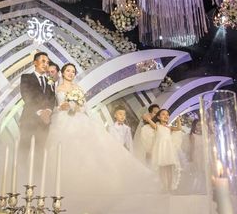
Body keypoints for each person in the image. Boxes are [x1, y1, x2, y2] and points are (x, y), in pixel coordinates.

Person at [47, 63, 159, 194]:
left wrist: (76, 106)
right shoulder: (58, 88)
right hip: (63, 119)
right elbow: (56, 106)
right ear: (62, 72)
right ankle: (64, 183)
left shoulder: (78, 88)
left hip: (78, 119)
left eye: (73, 71)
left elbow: (84, 107)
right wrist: (62, 107)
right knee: (64, 149)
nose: (71, 73)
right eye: (68, 71)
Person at [19, 52, 56, 147]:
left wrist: (48, 111)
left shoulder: (50, 80)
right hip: (29, 118)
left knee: (40, 149)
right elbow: (26, 95)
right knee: (24, 148)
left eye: (47, 62)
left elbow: (52, 98)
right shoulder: (26, 77)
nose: (45, 64)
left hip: (45, 121)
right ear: (35, 62)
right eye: (43, 61)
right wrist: (40, 112)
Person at [146, 109, 183, 192]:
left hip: (168, 150)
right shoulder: (157, 126)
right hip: (161, 150)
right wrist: (148, 118)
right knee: (162, 169)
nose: (166, 116)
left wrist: (178, 119)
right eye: (163, 114)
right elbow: (149, 121)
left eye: (167, 115)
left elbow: (179, 128)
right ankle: (164, 186)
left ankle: (169, 187)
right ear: (158, 117)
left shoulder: (169, 128)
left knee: (169, 169)